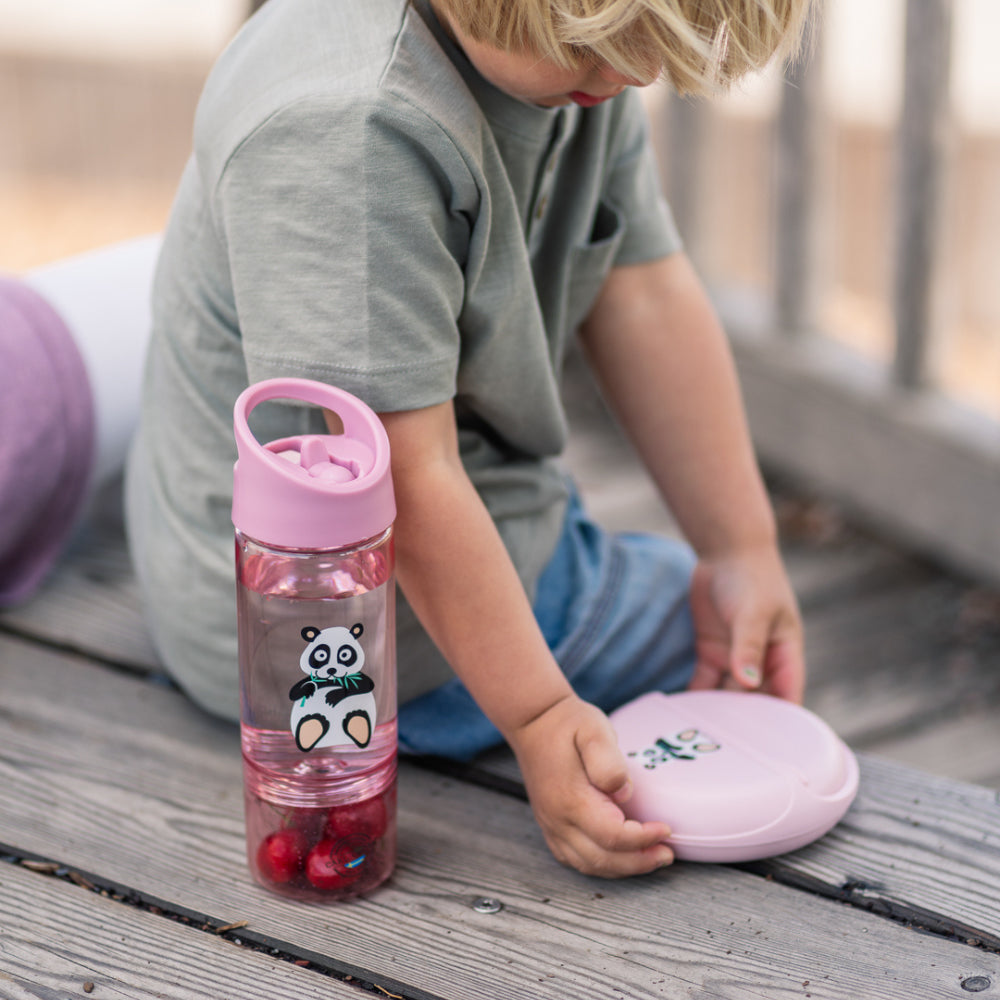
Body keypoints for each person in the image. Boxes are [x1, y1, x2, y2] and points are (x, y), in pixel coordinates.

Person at [125, 0, 813, 878]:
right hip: (321, 642)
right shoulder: (349, 128)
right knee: (687, 621)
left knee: (719, 593)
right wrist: (539, 719)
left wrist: (743, 544)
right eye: (603, 49)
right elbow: (403, 475)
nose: (633, 76)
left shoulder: (573, 48)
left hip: (409, 523)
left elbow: (642, 288)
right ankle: (478, 701)